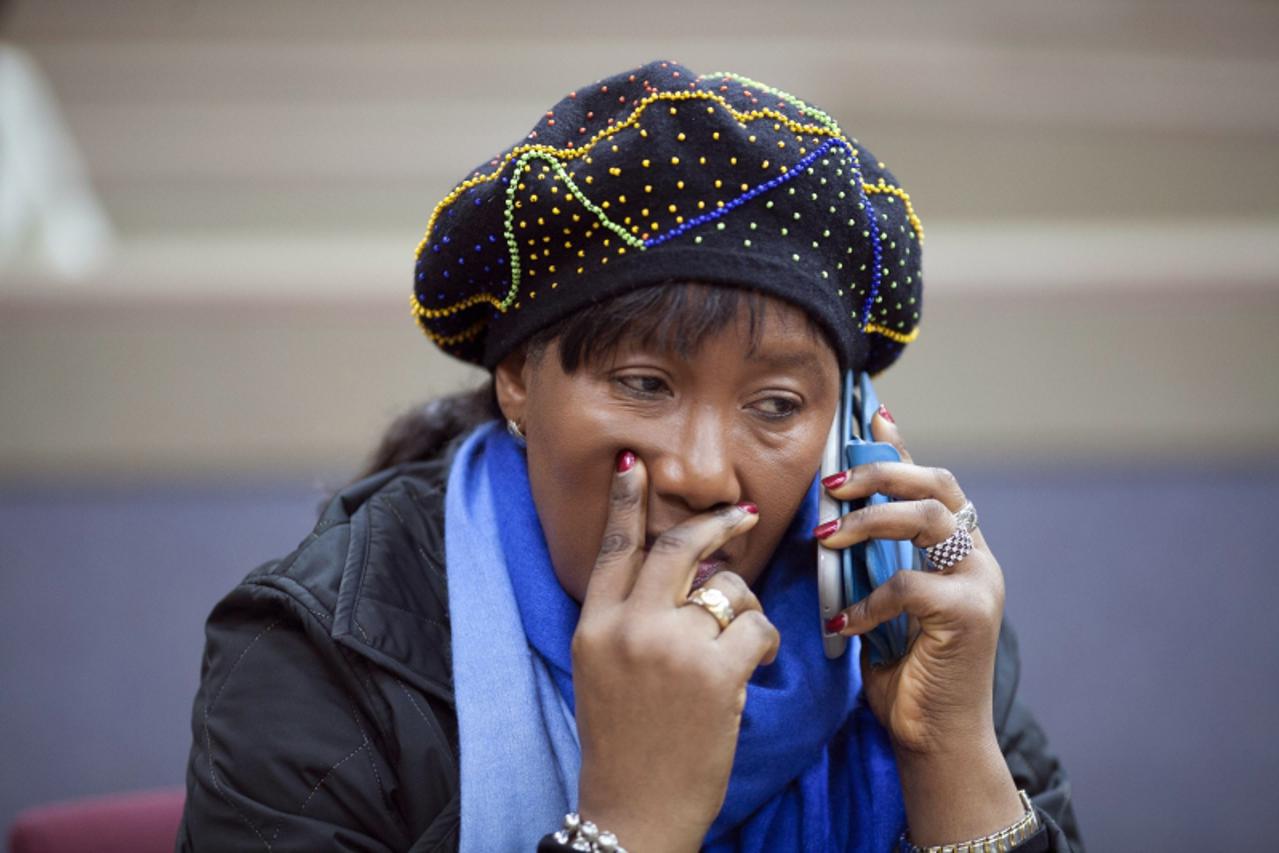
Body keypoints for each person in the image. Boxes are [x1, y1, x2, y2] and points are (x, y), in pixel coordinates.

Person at [178, 61, 1082, 852]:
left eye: (776, 405)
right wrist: (630, 822)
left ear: (848, 424)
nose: (702, 474)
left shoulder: (914, 624)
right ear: (517, 378)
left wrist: (949, 753)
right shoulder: (320, 653)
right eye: (644, 383)